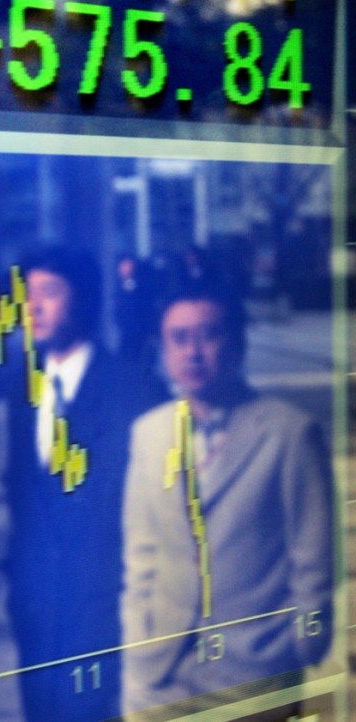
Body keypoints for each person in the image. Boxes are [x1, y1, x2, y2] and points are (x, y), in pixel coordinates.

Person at [121, 278, 332, 717]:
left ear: (237, 343)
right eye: (179, 338)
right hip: (160, 675)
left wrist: (298, 647)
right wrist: (137, 637)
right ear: (163, 349)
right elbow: (141, 551)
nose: (193, 352)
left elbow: (313, 561)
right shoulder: (149, 433)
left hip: (254, 675)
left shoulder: (289, 434)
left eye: (209, 335)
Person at [4, 247, 154, 722]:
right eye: (26, 295)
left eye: (49, 293)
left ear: (83, 300)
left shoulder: (132, 389)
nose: (34, 307)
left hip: (107, 611)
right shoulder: (23, 391)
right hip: (36, 613)